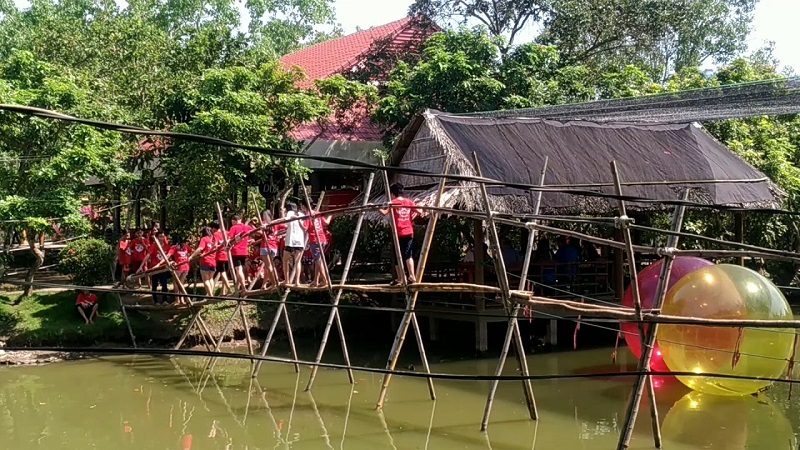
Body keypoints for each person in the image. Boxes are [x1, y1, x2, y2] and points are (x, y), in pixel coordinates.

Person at [379, 183, 422, 285]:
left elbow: (384, 213)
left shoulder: (393, 203)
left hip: (399, 233)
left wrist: (375, 208)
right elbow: (420, 211)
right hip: (409, 232)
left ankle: (400, 278)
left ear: (393, 194)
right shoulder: (409, 202)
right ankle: (412, 276)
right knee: (408, 254)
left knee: (397, 255)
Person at [137, 231, 171, 305]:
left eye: (163, 236)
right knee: (154, 285)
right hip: (154, 268)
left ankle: (164, 300)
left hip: (163, 268)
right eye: (160, 237)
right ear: (157, 237)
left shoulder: (167, 246)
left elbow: (169, 256)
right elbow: (148, 255)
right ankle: (155, 301)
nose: (162, 238)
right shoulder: (153, 246)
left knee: (164, 284)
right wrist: (141, 266)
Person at [305, 204, 331, 287]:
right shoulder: (317, 213)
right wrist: (330, 215)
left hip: (315, 240)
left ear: (303, 206)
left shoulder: (308, 216)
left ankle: (325, 280)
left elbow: (305, 228)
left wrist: (298, 222)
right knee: (318, 260)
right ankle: (316, 280)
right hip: (322, 239)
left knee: (318, 261)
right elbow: (326, 223)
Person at [282, 202, 307, 286]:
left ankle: (287, 280)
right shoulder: (301, 214)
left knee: (285, 260)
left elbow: (286, 222)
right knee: (298, 261)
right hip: (299, 240)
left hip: (291, 240)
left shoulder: (290, 213)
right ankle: (297, 281)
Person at [228, 214, 254, 292]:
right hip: (244, 251)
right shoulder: (246, 227)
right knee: (240, 269)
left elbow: (230, 239)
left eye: (232, 221)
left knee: (238, 270)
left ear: (234, 221)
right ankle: (238, 286)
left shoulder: (234, 227)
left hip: (236, 251)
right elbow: (253, 232)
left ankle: (243, 288)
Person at [259, 210, 284, 290]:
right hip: (273, 247)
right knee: (268, 266)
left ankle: (274, 283)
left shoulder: (264, 223)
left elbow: (260, 232)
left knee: (269, 267)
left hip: (265, 246)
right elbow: (286, 226)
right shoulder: (275, 223)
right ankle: (264, 284)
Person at [190, 226, 217, 296]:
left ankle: (210, 295)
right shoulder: (214, 239)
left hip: (205, 261)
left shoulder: (204, 239)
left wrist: (191, 256)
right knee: (211, 278)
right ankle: (211, 294)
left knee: (205, 279)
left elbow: (200, 248)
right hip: (213, 261)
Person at [167, 234, 192, 305]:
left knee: (176, 283)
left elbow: (168, 255)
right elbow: (191, 251)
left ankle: (177, 300)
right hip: (186, 266)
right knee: (181, 283)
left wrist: (164, 261)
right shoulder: (185, 246)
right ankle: (182, 299)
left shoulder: (174, 247)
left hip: (178, 267)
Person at [210, 222, 232, 295]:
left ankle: (229, 288)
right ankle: (223, 291)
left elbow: (215, 245)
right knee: (224, 273)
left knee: (222, 273)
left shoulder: (215, 234)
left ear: (214, 228)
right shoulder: (227, 233)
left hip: (220, 256)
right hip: (228, 255)